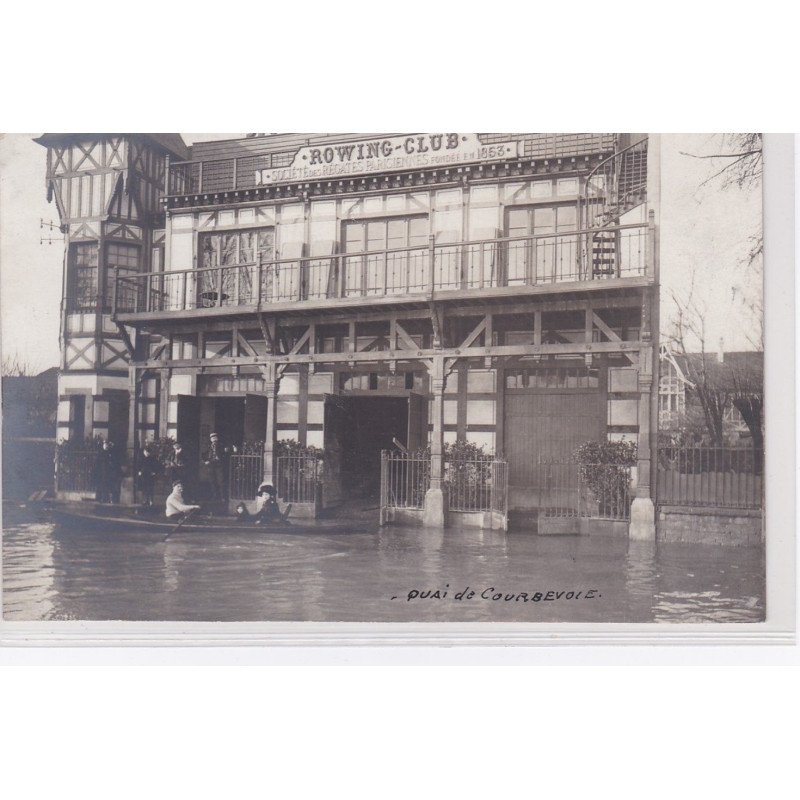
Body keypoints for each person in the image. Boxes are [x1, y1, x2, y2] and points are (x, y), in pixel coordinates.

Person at [203, 432, 230, 502]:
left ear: (217, 438)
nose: (214, 439)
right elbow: (203, 454)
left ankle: (223, 497)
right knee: (212, 481)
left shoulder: (221, 445)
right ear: (210, 439)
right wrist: (205, 461)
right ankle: (215, 496)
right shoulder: (208, 446)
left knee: (221, 481)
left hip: (219, 465)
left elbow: (226, 454)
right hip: (211, 465)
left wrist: (225, 452)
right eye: (212, 438)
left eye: (215, 437)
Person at [94, 440, 121, 504]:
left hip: (108, 474)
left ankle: (107, 499)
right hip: (101, 473)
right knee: (101, 486)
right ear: (103, 445)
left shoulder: (110, 453)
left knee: (108, 486)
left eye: (107, 445)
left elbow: (113, 463)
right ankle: (101, 499)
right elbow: (97, 464)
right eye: (105, 444)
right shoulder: (100, 453)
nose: (106, 446)